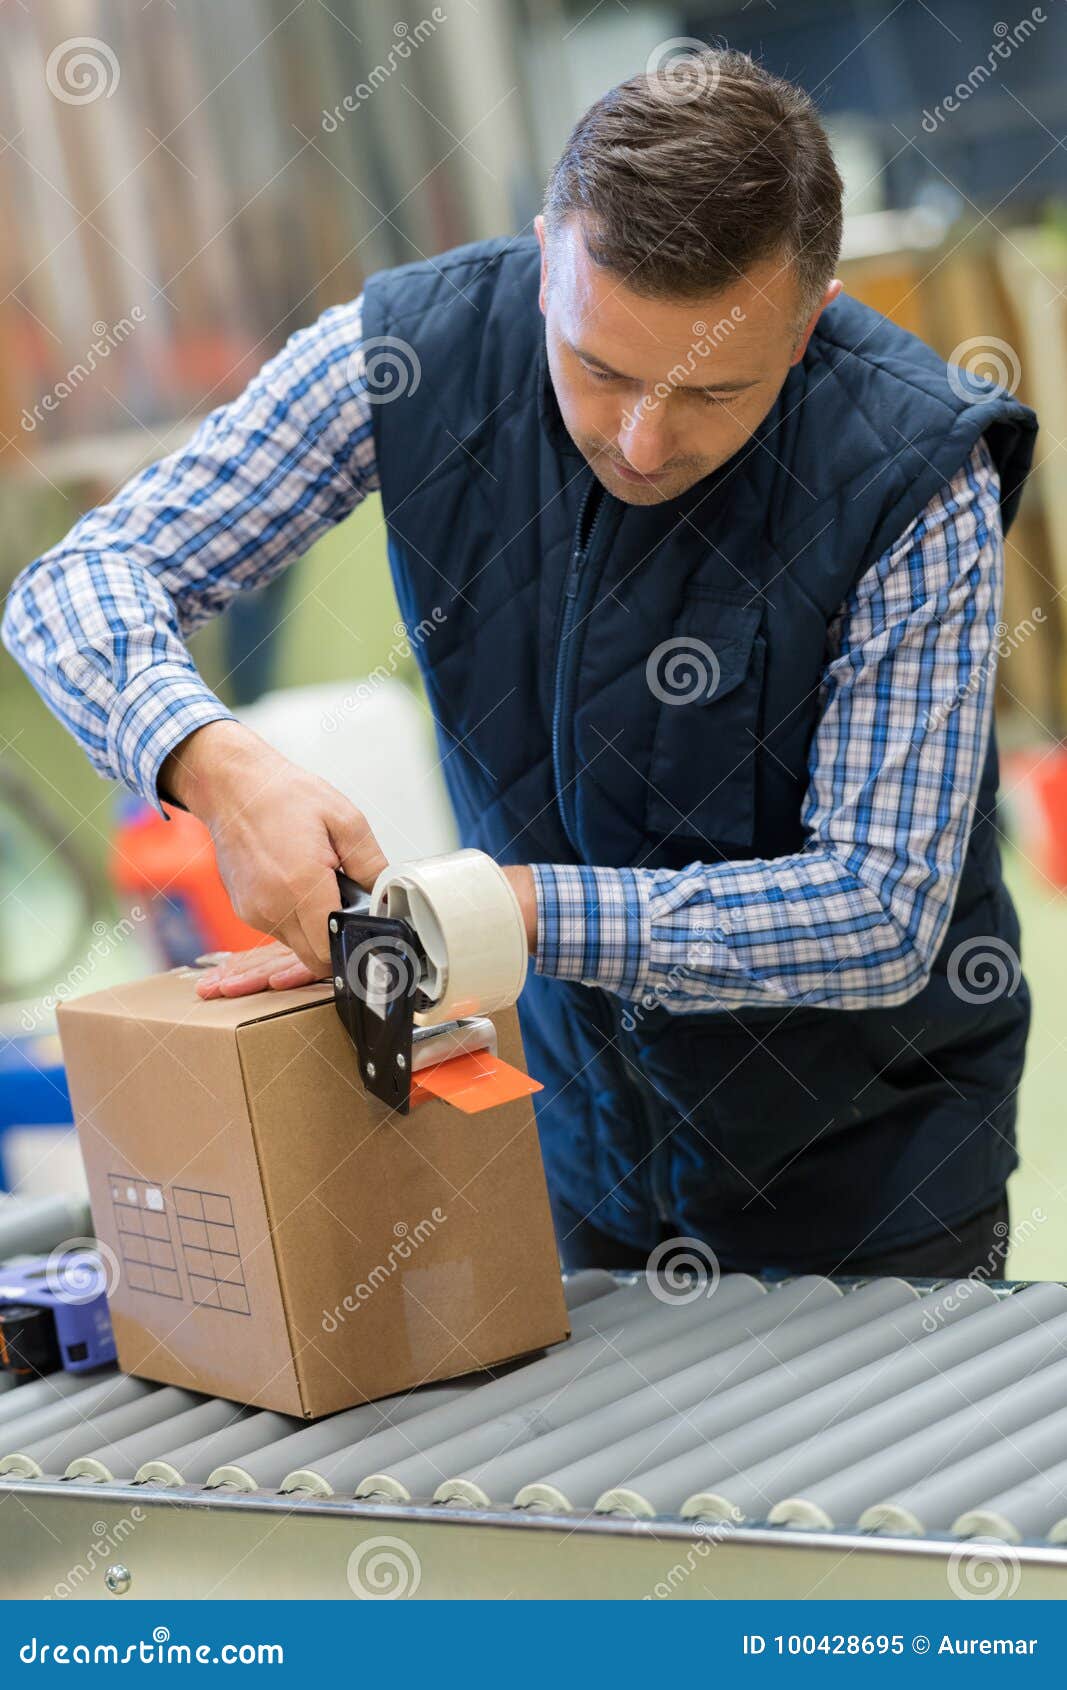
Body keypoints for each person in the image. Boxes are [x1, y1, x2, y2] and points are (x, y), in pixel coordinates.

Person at [3, 50, 1037, 1281]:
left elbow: (874, 913)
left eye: (711, 390)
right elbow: (76, 584)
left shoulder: (915, 471)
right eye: (598, 368)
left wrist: (493, 913)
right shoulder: (410, 355)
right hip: (580, 1156)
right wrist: (213, 765)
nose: (642, 440)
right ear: (549, 253)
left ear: (806, 317)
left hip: (875, 1189)